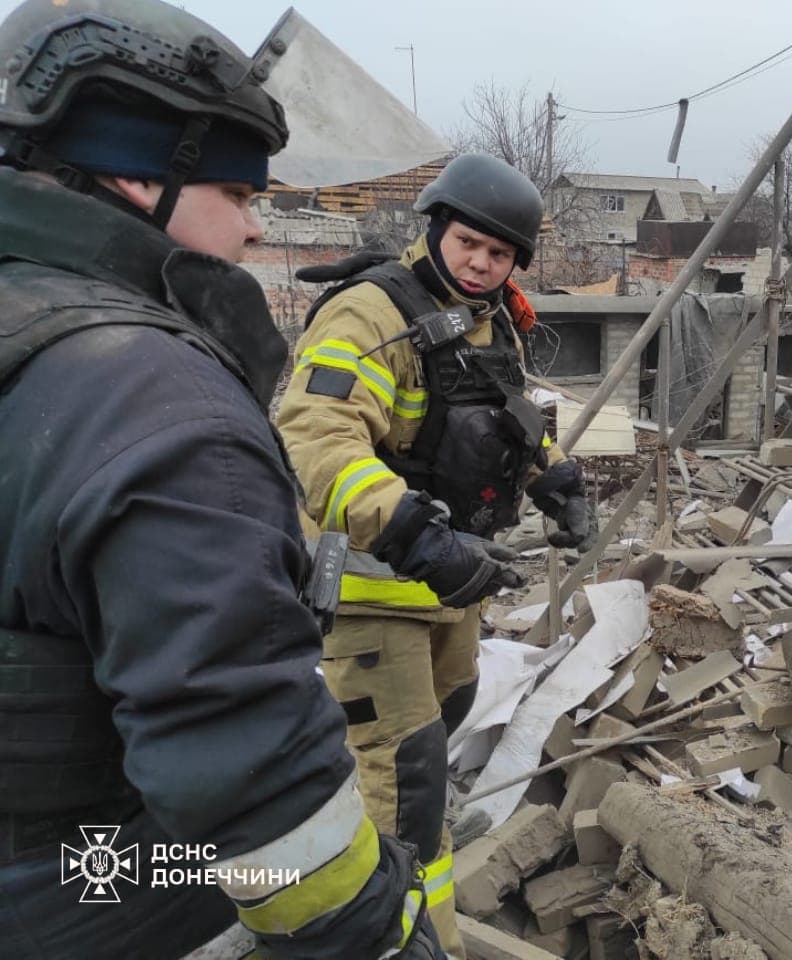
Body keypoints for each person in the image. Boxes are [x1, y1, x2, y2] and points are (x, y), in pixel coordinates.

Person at [0, 1, 444, 957]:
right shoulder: (156, 403)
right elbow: (254, 786)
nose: (253, 230)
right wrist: (379, 935)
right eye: (240, 196)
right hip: (88, 874)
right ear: (135, 173)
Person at [276, 151, 597, 958]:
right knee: (402, 775)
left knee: (431, 760)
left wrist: (557, 479)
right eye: (468, 244)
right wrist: (412, 533)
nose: (481, 263)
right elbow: (315, 438)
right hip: (372, 585)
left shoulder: (491, 324)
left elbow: (509, 420)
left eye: (499, 254)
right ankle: (400, 938)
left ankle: (415, 907)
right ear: (435, 229)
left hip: (450, 590)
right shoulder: (372, 313)